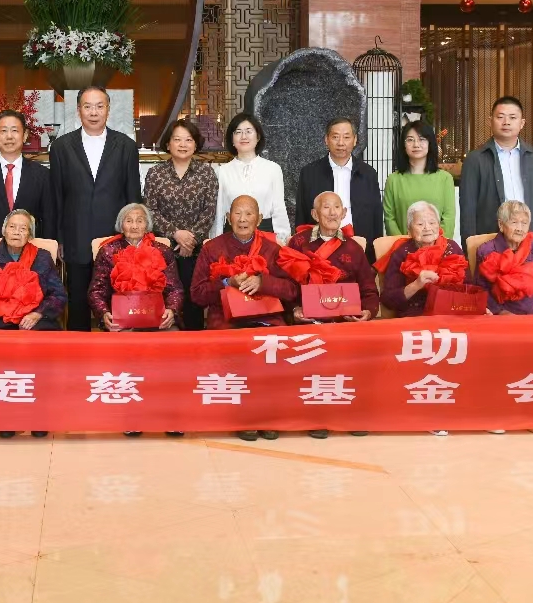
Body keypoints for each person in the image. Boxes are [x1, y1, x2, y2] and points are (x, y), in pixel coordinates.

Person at [191, 195, 298, 443]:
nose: (242, 219)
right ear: (228, 218)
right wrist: (226, 282)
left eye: (249, 214)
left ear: (259, 219)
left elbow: (293, 290)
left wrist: (264, 282)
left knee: (275, 347)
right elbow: (196, 294)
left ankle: (269, 415)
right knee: (234, 348)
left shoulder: (273, 249)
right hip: (226, 319)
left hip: (266, 318)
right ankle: (243, 417)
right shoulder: (212, 248)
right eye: (237, 213)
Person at [49, 85, 142, 331]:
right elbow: (56, 197)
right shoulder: (61, 147)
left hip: (115, 239)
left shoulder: (126, 146)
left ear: (108, 110)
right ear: (78, 110)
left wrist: (134, 238)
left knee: (116, 300)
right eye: (87, 106)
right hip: (76, 236)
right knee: (78, 301)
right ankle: (78, 349)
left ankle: (114, 351)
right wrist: (58, 238)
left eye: (99, 106)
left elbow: (133, 198)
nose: (93, 112)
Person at [143, 118, 218, 331]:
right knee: (163, 297)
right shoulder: (156, 174)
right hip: (164, 248)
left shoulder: (207, 173)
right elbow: (150, 210)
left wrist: (190, 240)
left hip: (196, 249)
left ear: (195, 144)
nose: (183, 144)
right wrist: (176, 234)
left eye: (188, 139)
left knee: (193, 299)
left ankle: (194, 341)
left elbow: (209, 211)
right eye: (177, 139)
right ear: (168, 144)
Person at [459, 96, 533, 249]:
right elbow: (468, 209)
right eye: (500, 117)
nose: (506, 122)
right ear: (490, 121)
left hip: (532, 240)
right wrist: (470, 248)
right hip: (491, 242)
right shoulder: (475, 159)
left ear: (522, 123)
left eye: (512, 117)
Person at [0, 110, 53, 261]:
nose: (9, 136)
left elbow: (48, 218)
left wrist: (46, 257)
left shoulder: (42, 174)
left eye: (15, 130)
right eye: (4, 131)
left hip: (30, 257)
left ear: (25, 135)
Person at [282, 192, 379, 324]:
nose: (332, 213)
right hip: (308, 321)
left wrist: (367, 311)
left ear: (343, 213)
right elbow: (285, 284)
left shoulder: (354, 248)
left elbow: (369, 289)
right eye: (326, 207)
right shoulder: (299, 242)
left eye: (337, 207)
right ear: (315, 214)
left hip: (345, 322)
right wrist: (294, 309)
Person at [89, 203, 184, 331]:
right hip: (121, 318)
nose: (134, 226)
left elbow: (175, 289)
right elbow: (97, 290)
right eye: (129, 221)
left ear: (147, 226)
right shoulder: (108, 251)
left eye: (139, 221)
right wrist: (104, 313)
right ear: (121, 226)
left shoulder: (162, 250)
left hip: (157, 317)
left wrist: (172, 310)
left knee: (172, 336)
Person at [295, 117, 382, 258]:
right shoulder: (310, 173)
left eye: (346, 137)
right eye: (335, 137)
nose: (341, 143)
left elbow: (376, 215)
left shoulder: (368, 173)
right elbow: (302, 213)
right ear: (326, 140)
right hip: (319, 248)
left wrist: (375, 254)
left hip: (359, 246)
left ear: (355, 140)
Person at [0, 209, 66, 330]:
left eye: (23, 229)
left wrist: (38, 314)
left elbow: (58, 295)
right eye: (12, 227)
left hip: (35, 321)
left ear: (30, 235)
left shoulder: (43, 257)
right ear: (4, 231)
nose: (17, 232)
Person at [473, 200, 533, 315]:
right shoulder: (486, 251)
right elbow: (480, 291)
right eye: (514, 222)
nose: (520, 228)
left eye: (524, 223)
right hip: (504, 319)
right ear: (501, 225)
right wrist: (500, 312)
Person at [378, 201, 469, 318]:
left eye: (432, 222)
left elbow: (469, 287)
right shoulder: (401, 254)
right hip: (415, 316)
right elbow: (387, 300)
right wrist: (416, 285)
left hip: (452, 314)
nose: (427, 228)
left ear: (438, 226)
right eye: (420, 224)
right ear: (409, 230)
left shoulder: (452, 247)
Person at [212, 113, 291, 243]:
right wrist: (215, 241)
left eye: (249, 131)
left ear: (258, 136)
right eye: (238, 132)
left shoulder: (273, 169)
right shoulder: (222, 172)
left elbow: (279, 208)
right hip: (232, 236)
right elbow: (218, 212)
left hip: (265, 236)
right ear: (232, 139)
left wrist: (282, 238)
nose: (244, 136)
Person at [382, 119, 456, 239]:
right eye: (410, 140)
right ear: (403, 145)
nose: (416, 144)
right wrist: (404, 245)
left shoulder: (445, 179)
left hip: (438, 247)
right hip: (403, 247)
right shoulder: (393, 180)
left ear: (430, 143)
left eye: (422, 139)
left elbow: (448, 218)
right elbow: (389, 218)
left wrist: (435, 245)